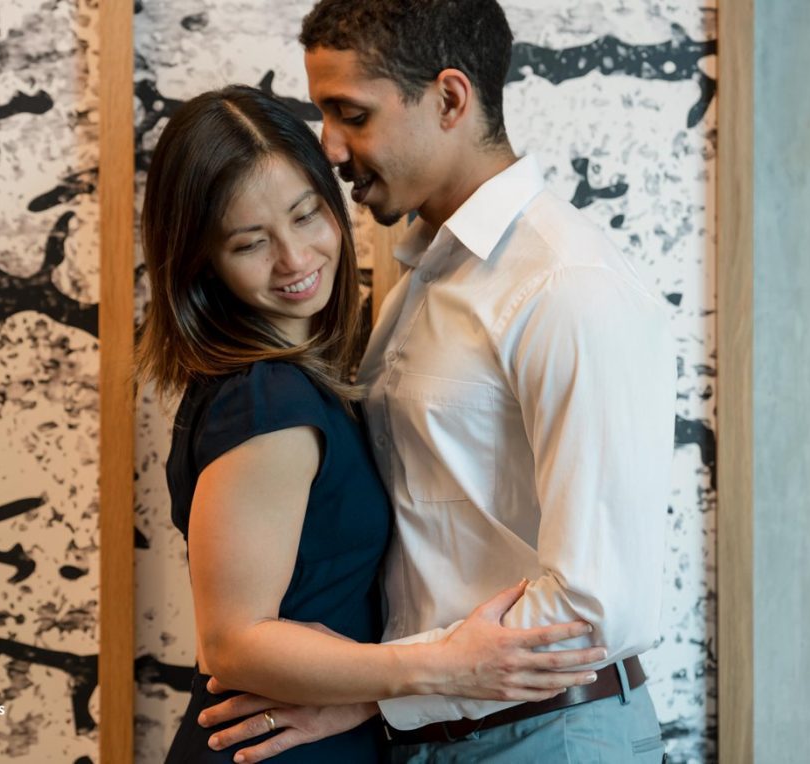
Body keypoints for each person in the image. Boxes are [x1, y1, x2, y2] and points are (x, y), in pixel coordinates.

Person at [201, 1, 675, 760]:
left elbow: (595, 605)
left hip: (550, 737)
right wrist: (385, 697)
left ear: (450, 99)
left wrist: (383, 693)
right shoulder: (422, 273)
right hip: (439, 735)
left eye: (352, 114)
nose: (329, 147)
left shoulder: (567, 284)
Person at [136, 85, 608, 764]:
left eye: (306, 215)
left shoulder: (303, 379)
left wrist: (380, 695)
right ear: (201, 261)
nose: (295, 259)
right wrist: (447, 666)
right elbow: (232, 643)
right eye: (250, 243)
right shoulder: (266, 399)